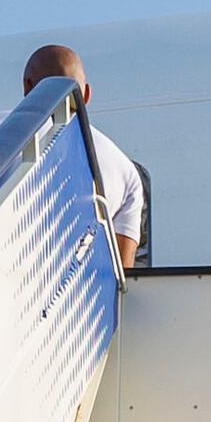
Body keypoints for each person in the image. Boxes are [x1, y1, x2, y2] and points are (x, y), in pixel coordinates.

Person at [25, 42, 147, 271]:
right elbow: (123, 271)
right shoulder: (125, 169)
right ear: (87, 94)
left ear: (27, 87)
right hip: (77, 298)